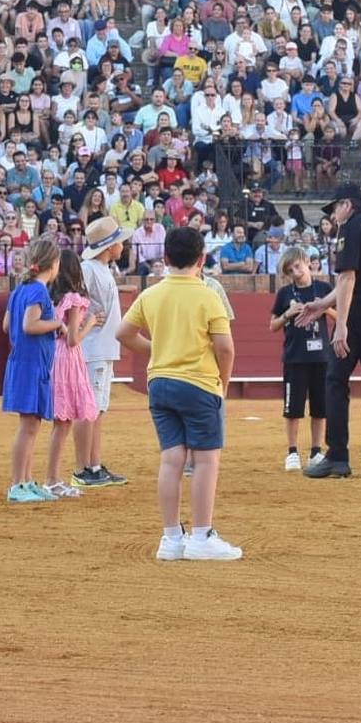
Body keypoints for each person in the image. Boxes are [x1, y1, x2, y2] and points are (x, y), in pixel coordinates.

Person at [117, 226, 240, 561]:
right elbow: (225, 349)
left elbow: (123, 334)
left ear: (166, 258)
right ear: (202, 259)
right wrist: (222, 386)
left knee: (172, 459)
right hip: (199, 383)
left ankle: (171, 538)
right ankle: (201, 535)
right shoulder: (208, 295)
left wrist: (158, 350)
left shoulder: (151, 294)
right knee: (205, 459)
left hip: (160, 384)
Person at [298, 183, 361, 479]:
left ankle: (338, 456)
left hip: (359, 314)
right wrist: (322, 303)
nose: (333, 215)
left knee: (335, 379)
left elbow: (348, 278)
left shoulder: (352, 227)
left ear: (347, 204)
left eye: (334, 208)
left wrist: (340, 324)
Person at [2, 238, 63, 503]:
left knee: (31, 425)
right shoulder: (38, 291)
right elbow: (30, 325)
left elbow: (7, 325)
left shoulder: (20, 290)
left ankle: (26, 480)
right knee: (28, 427)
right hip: (32, 364)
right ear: (54, 264)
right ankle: (18, 484)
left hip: (24, 361)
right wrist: (56, 323)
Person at [73, 216, 129, 488]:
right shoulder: (89, 269)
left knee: (98, 409)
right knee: (89, 409)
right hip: (93, 346)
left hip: (103, 346)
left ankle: (94, 464)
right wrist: (87, 318)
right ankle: (83, 467)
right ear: (109, 246)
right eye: (119, 241)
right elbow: (74, 300)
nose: (123, 244)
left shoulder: (103, 268)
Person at [270, 245, 333, 472]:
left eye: (297, 266)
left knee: (320, 407)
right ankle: (292, 452)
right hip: (295, 357)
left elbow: (340, 314)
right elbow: (272, 325)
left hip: (321, 356)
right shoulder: (285, 294)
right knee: (293, 408)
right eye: (290, 271)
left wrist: (322, 308)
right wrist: (288, 313)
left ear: (307, 261)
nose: (296, 273)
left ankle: (316, 452)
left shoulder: (325, 289)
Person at [43, 248, 100, 498]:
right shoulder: (74, 298)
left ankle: (53, 478)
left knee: (62, 421)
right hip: (68, 358)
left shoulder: (52, 296)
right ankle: (52, 479)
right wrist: (90, 324)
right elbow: (74, 340)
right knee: (63, 422)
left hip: (52, 355)